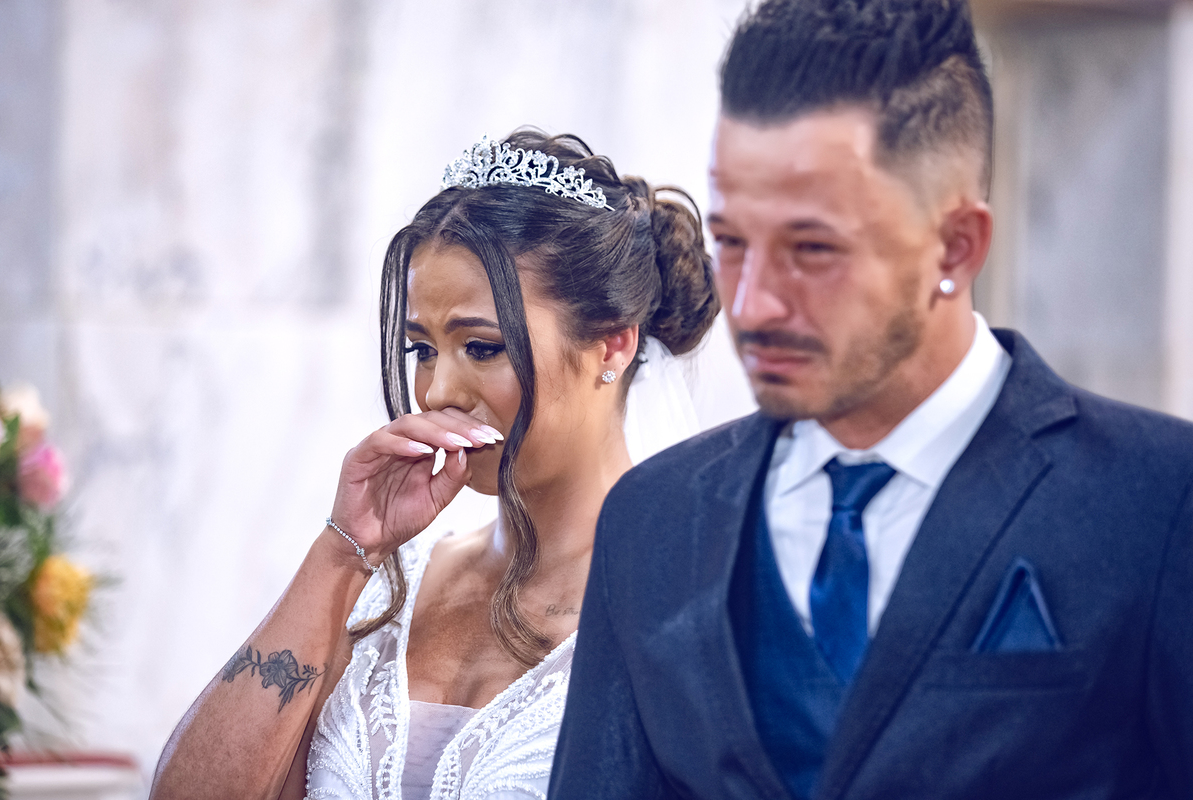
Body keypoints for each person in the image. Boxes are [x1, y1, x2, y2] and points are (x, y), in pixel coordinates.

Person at [548, 1, 1193, 798]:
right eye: (734, 242)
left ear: (955, 247)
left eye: (813, 249)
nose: (752, 303)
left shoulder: (1161, 503)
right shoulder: (650, 519)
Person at [150, 130, 719, 800]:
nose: (439, 391)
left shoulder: (683, 604)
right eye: (422, 350)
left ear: (612, 346)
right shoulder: (385, 588)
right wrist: (343, 550)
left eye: (481, 347)